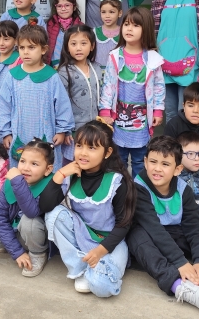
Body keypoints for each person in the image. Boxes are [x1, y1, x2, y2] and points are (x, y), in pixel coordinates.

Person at [128, 136, 199, 311]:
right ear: (145, 162)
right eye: (153, 162)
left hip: (175, 234)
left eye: (165, 164)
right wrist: (181, 262)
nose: (157, 168)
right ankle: (179, 285)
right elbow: (154, 229)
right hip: (150, 238)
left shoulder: (184, 190)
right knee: (135, 236)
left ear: (177, 169)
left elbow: (194, 227)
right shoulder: (138, 188)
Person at [42, 121, 135, 297]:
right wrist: (60, 174)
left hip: (110, 243)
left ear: (107, 152)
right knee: (54, 215)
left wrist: (100, 251)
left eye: (92, 148)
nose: (83, 153)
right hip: (82, 235)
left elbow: (124, 224)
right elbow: (45, 206)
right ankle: (80, 268)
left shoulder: (117, 181)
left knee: (102, 287)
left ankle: (95, 271)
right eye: (79, 146)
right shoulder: (71, 175)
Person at [0, 139, 56, 278]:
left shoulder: (51, 184)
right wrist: (17, 252)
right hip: (13, 230)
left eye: (34, 164)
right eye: (23, 161)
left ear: (48, 169)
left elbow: (31, 212)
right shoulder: (11, 182)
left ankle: (38, 254)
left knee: (29, 222)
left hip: (33, 235)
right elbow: (0, 219)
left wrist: (18, 182)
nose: (25, 168)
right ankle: (11, 244)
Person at [0, 24, 75, 171]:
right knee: (21, 170)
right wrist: (5, 132)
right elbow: (3, 106)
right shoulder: (12, 76)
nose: (26, 52)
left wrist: (62, 130)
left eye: (31, 47)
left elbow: (62, 105)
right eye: (22, 47)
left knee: (45, 167)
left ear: (43, 49)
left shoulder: (52, 77)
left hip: (46, 133)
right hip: (19, 133)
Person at [99, 6, 165, 178]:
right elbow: (108, 85)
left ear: (146, 29)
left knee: (139, 161)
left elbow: (158, 87)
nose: (129, 29)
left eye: (136, 25)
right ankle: (119, 188)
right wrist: (105, 110)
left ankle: (137, 190)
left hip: (141, 120)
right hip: (118, 120)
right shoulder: (115, 56)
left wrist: (158, 110)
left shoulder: (153, 59)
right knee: (118, 159)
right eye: (126, 24)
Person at [57, 24, 100, 165]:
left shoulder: (96, 68)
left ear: (92, 46)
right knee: (73, 163)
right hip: (75, 130)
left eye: (83, 43)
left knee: (92, 162)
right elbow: (61, 104)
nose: (79, 48)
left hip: (95, 127)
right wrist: (65, 130)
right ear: (67, 47)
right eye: (73, 44)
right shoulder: (64, 72)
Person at [46, 0, 82, 67]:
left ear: (74, 7)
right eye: (59, 6)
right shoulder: (50, 25)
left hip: (73, 66)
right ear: (55, 8)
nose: (63, 9)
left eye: (67, 5)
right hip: (53, 66)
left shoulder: (81, 27)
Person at [94, 0, 122, 78]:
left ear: (120, 13)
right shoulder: (94, 32)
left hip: (118, 73)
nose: (107, 16)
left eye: (111, 12)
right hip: (97, 74)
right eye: (103, 12)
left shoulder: (124, 32)